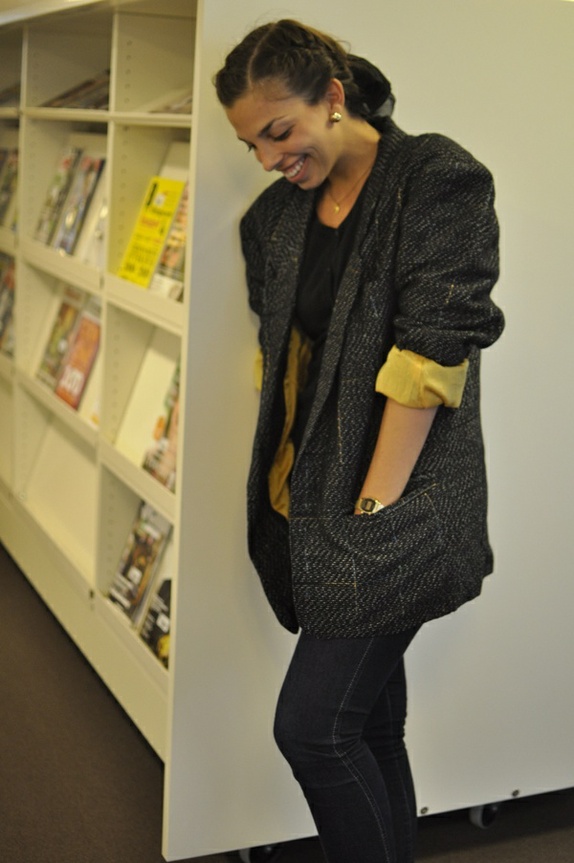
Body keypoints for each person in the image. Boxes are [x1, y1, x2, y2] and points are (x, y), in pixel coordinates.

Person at [214, 19, 504, 863]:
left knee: (312, 730)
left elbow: (432, 358)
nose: (268, 158)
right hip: (316, 502)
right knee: (368, 727)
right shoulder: (273, 220)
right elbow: (289, 361)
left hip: (397, 505)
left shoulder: (435, 180)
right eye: (252, 144)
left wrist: (372, 513)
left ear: (333, 97)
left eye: (279, 132)